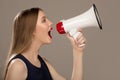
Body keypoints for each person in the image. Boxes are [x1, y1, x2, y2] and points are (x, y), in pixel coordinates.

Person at [4, 7, 86, 80]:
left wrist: (77, 51)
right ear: (32, 30)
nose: (50, 23)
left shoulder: (44, 63)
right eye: (44, 20)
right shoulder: (18, 66)